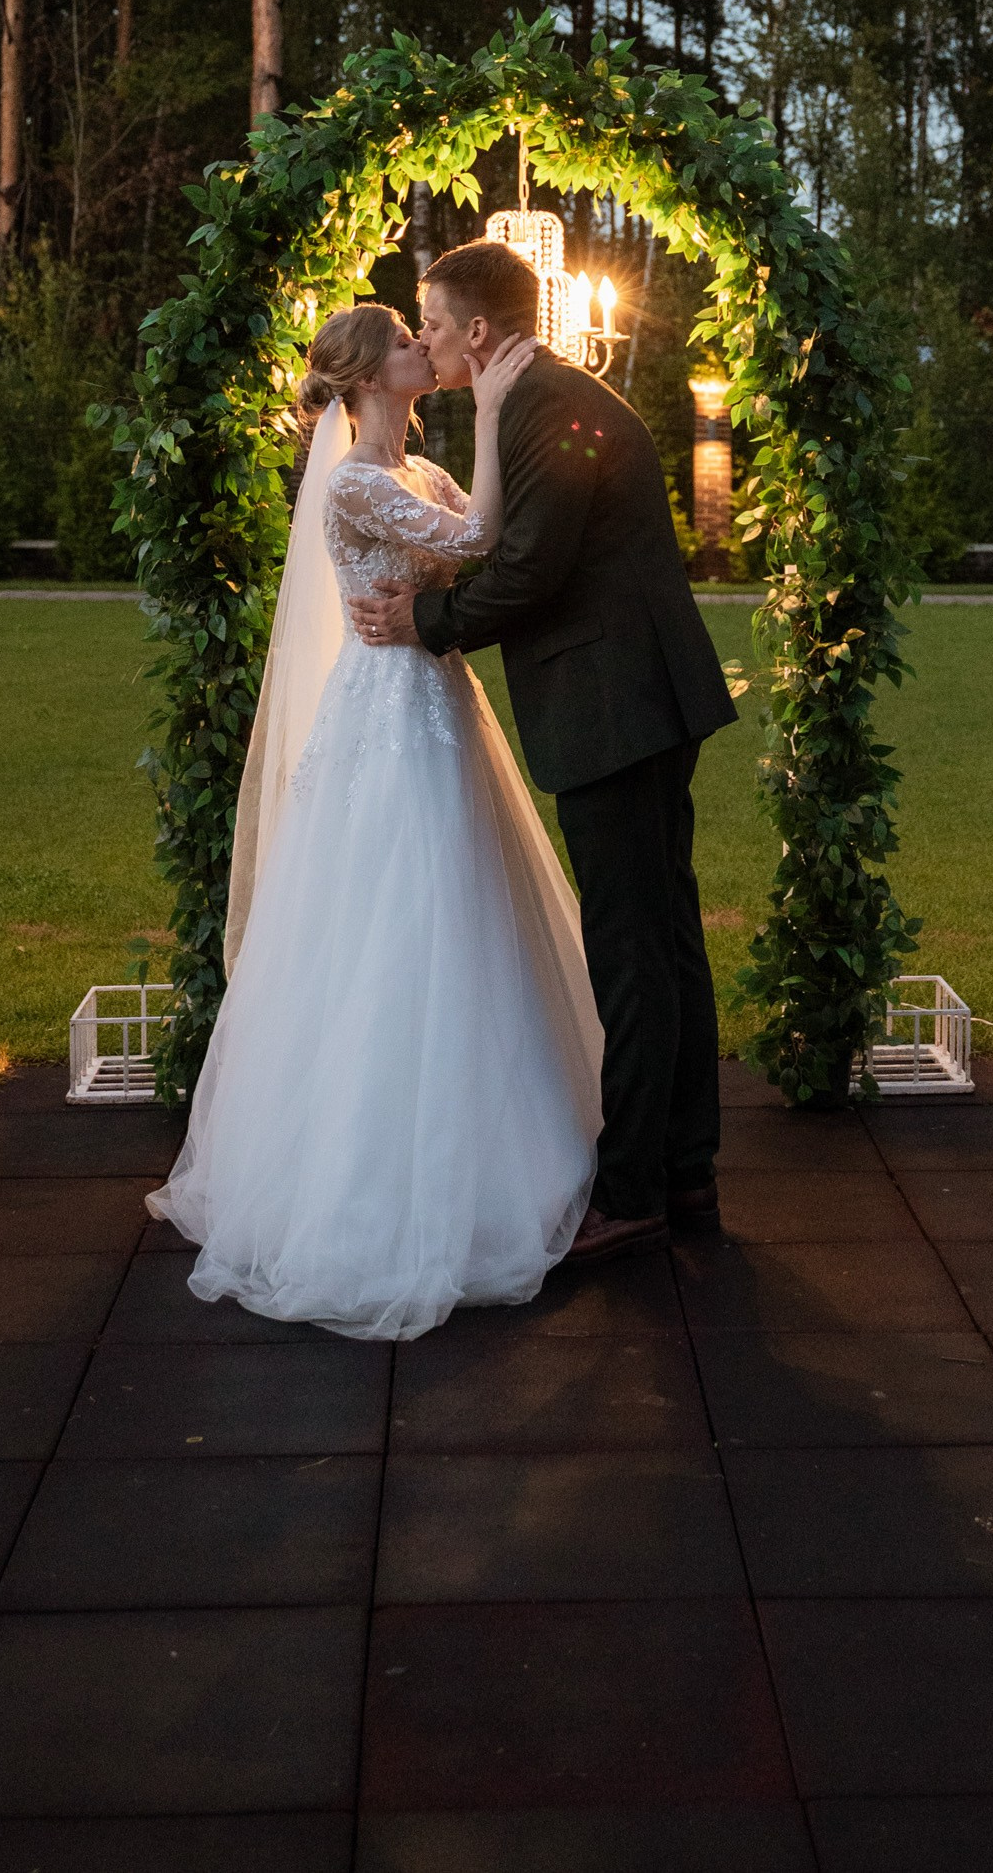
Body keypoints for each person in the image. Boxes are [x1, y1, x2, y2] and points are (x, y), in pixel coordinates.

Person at [146, 302, 604, 1341]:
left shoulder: (419, 474)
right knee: (391, 915)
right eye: (405, 339)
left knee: (465, 908)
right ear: (363, 374)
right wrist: (492, 409)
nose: (420, 349)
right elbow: (478, 536)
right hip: (384, 712)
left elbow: (480, 548)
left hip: (439, 704)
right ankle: (362, 1188)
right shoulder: (356, 479)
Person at [348, 238, 739, 1265]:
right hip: (636, 701)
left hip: (617, 708)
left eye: (429, 321)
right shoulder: (532, 400)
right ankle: (681, 1167)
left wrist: (423, 621)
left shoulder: (546, 405)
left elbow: (527, 568)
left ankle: (634, 1190)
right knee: (661, 939)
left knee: (631, 950)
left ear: (476, 329)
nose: (422, 338)